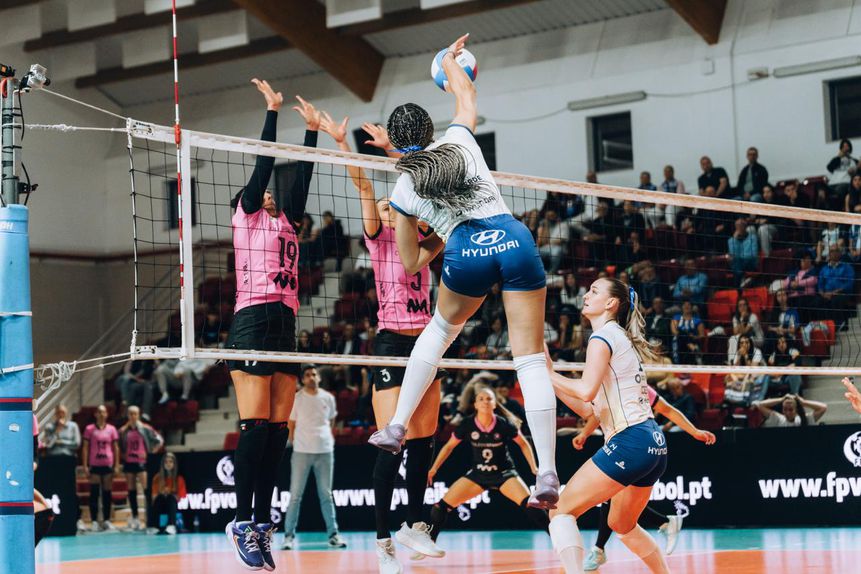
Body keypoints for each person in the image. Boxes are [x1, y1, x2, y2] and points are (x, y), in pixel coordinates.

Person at [370, 34, 560, 516]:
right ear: (430, 128)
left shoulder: (404, 188)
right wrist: (450, 60)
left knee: (437, 335)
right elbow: (466, 94)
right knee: (529, 360)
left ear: (396, 144)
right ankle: (546, 473)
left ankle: (395, 427)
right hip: (512, 239)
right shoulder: (458, 139)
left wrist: (444, 238)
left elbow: (411, 263)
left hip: (464, 251)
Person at [318, 113, 445, 569]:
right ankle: (382, 538)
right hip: (391, 343)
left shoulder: (425, 243)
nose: (391, 211)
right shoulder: (379, 239)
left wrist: (400, 149)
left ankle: (414, 524)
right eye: (387, 208)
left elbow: (429, 192)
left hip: (427, 342)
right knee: (393, 441)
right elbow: (364, 186)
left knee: (424, 442)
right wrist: (343, 144)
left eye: (396, 208)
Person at [223, 78, 321, 571]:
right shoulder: (246, 218)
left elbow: (302, 177)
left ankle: (262, 523)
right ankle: (241, 521)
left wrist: (312, 133)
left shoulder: (287, 223)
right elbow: (263, 166)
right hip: (252, 320)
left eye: (268, 194)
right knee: (255, 429)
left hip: (285, 324)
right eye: (258, 193)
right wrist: (273, 113)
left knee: (277, 433)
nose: (267, 194)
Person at [543, 278, 670, 574]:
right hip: (654, 444)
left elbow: (585, 390)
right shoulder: (619, 338)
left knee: (560, 511)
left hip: (630, 441)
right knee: (621, 524)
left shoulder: (602, 338)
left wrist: (547, 373)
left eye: (594, 291)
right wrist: (551, 378)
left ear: (611, 303)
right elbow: (589, 409)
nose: (586, 295)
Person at [574, 380, 716, 570]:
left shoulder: (636, 384)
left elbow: (668, 409)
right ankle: (662, 523)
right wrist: (584, 433)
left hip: (633, 449)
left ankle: (601, 548)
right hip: (621, 447)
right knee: (617, 512)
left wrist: (694, 431)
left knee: (612, 501)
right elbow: (597, 414)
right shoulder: (600, 385)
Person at [426, 384, 548, 550]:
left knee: (531, 506)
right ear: (475, 404)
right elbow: (448, 447)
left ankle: (559, 539)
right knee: (440, 507)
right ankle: (429, 543)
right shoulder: (468, 424)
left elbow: (524, 444)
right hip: (478, 475)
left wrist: (534, 467)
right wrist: (433, 468)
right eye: (481, 399)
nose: (485, 401)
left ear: (494, 404)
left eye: (489, 399)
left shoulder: (504, 424)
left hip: (504, 474)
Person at [281, 365, 346, 550]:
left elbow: (331, 421)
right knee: (295, 495)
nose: (312, 377)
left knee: (326, 495)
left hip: (325, 451)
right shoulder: (296, 399)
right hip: (301, 452)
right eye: (308, 375)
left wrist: (323, 438)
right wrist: (297, 443)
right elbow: (291, 425)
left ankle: (333, 535)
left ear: (319, 377)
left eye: (314, 374)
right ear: (303, 379)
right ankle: (288, 537)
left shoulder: (328, 398)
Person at [119, 405, 163, 531]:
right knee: (131, 490)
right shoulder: (123, 430)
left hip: (142, 462)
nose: (133, 416)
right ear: (127, 415)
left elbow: (159, 440)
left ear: (138, 415)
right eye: (130, 414)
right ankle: (135, 517)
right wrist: (122, 454)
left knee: (146, 489)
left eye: (135, 414)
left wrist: (151, 453)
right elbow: (118, 444)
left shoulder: (145, 428)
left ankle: (149, 516)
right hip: (129, 462)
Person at [82, 405, 120, 532]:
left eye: (103, 412)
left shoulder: (112, 429)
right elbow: (85, 448)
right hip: (95, 465)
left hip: (108, 464)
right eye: (99, 412)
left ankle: (107, 520)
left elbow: (116, 448)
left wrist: (116, 465)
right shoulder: (89, 429)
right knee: (94, 493)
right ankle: (94, 521)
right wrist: (85, 465)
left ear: (107, 414)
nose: (101, 414)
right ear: (95, 414)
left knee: (107, 494)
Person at [150, 452, 186, 535]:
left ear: (174, 464)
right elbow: (154, 497)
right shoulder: (157, 478)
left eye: (170, 462)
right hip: (161, 503)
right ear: (163, 464)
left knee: (171, 498)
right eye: (166, 462)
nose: (168, 464)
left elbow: (180, 497)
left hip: (173, 504)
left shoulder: (179, 479)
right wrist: (162, 493)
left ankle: (171, 525)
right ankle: (155, 526)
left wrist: (169, 492)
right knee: (159, 499)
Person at [753, 394, 827, 427]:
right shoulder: (778, 418)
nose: (788, 413)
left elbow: (823, 407)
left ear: (796, 410)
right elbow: (760, 404)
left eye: (791, 410)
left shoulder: (805, 419)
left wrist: (803, 402)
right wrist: (781, 399)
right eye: (785, 409)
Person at [728, 218, 759, 286]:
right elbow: (732, 254)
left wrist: (739, 257)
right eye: (738, 226)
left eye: (742, 225)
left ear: (745, 227)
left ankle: (739, 284)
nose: (740, 228)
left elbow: (753, 255)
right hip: (738, 263)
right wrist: (734, 240)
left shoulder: (752, 238)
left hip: (750, 263)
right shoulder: (731, 240)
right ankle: (742, 282)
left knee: (737, 262)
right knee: (736, 262)